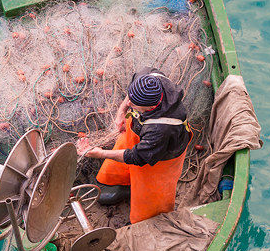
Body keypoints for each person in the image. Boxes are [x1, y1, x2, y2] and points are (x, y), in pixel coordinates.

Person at [78, 70, 191, 224]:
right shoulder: (150, 77)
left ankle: (147, 217)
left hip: (160, 156)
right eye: (130, 99)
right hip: (141, 134)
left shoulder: (161, 129)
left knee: (151, 196)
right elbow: (131, 98)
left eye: (134, 105)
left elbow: (136, 157)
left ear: (151, 107)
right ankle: (124, 185)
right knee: (123, 154)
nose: (129, 103)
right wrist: (121, 112)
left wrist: (100, 153)